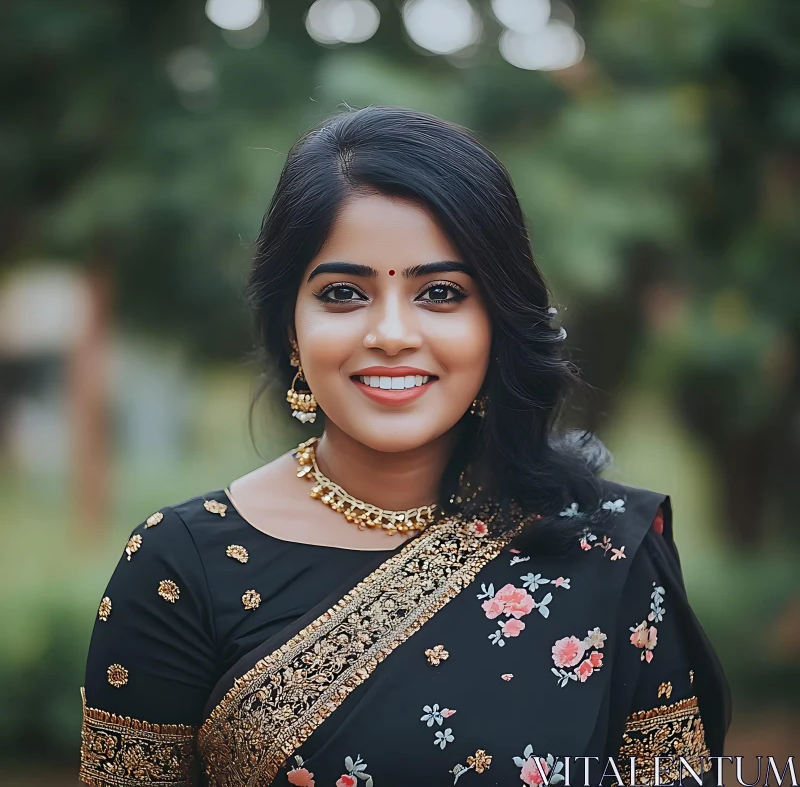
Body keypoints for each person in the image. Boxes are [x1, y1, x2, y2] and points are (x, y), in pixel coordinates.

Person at [79, 106, 730, 787]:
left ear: (497, 324)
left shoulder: (605, 552)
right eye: (343, 293)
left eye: (441, 293)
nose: (391, 332)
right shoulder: (178, 568)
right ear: (290, 329)